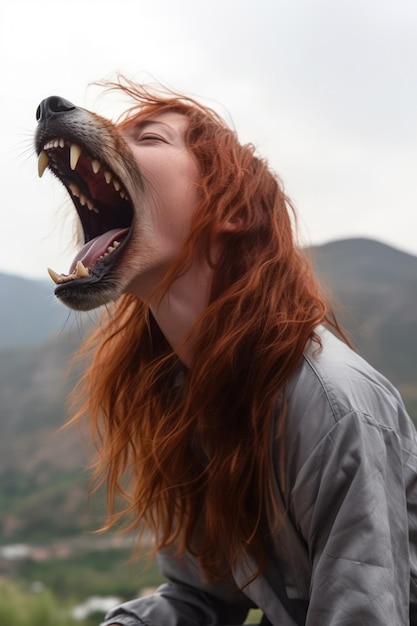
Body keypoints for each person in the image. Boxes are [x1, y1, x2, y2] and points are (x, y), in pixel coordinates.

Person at [38, 78, 417, 625]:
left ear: (230, 209)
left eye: (149, 137)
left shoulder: (334, 407)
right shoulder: (187, 395)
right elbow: (202, 598)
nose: (58, 111)